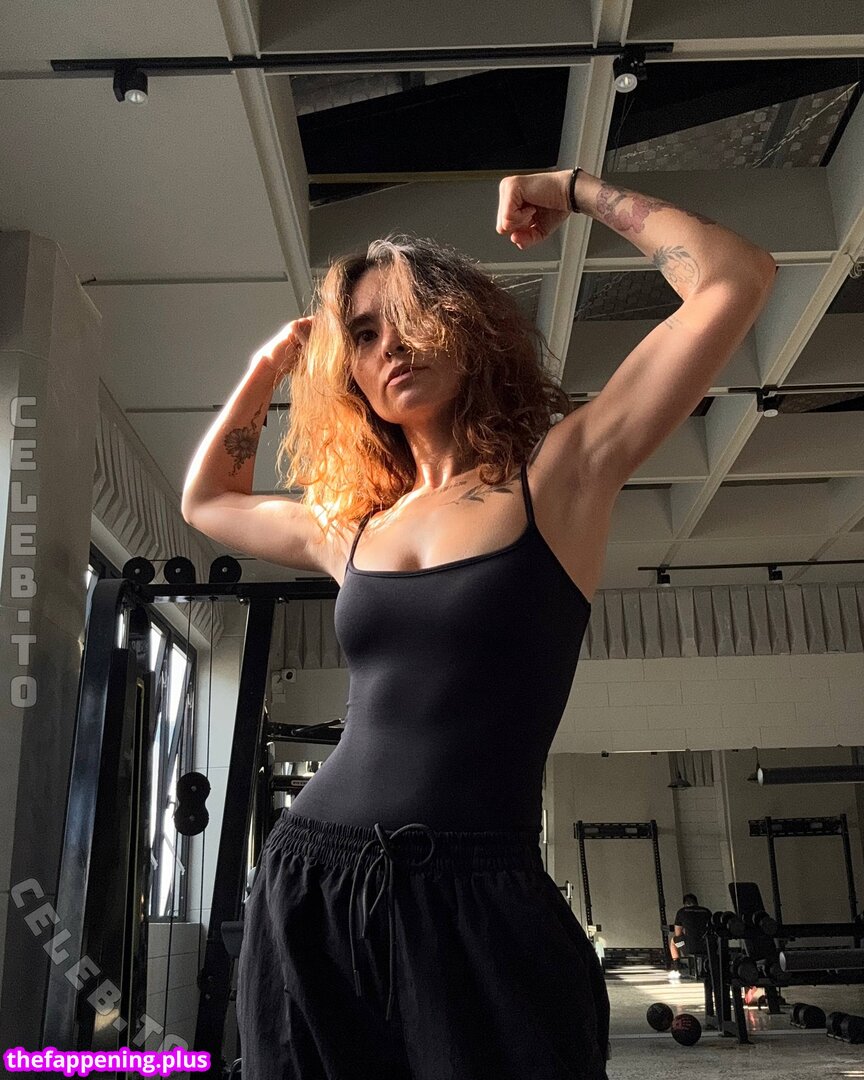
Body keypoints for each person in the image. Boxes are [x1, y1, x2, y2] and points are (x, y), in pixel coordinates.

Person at [182, 166, 776, 1079]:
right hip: (310, 880)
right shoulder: (354, 528)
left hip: (479, 894)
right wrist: (274, 363)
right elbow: (209, 501)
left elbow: (736, 275)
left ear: (465, 326)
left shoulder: (561, 476)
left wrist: (573, 189)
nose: (390, 346)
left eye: (409, 317)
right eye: (363, 335)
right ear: (349, 373)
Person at [669, 893, 712, 980]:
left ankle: (676, 968)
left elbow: (678, 933)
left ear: (685, 903)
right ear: (696, 902)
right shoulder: (707, 911)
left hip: (690, 947)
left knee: (673, 941)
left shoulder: (682, 912)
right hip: (707, 946)